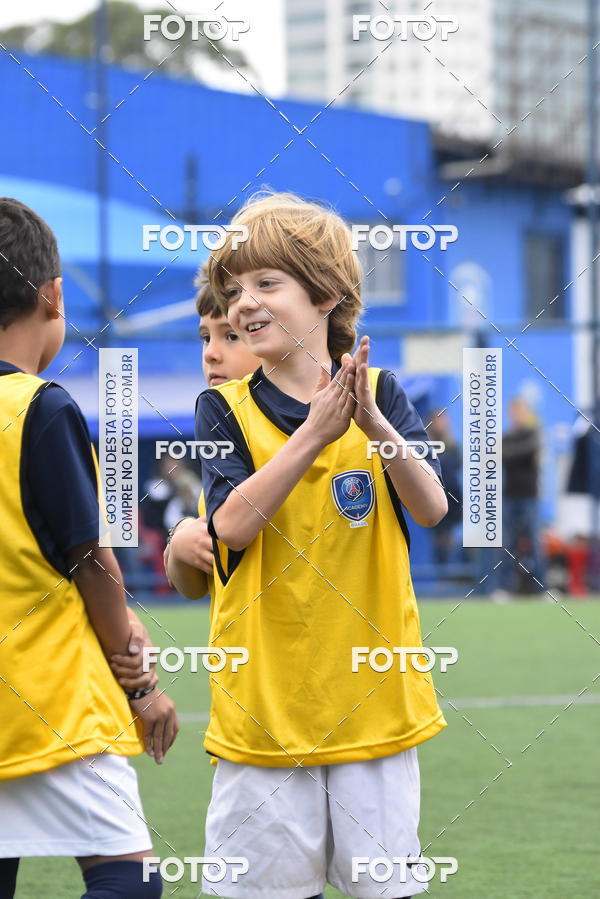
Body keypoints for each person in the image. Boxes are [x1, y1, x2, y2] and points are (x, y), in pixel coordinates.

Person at [194, 192, 449, 899]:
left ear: (327, 294)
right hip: (266, 715)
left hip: (375, 704)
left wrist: (371, 424)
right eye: (234, 288)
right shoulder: (223, 407)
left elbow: (431, 508)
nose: (244, 303)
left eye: (266, 283)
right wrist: (314, 431)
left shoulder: (383, 393)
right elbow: (232, 528)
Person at [0, 198, 178, 899]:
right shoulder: (39, 408)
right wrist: (142, 687)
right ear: (53, 294)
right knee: (129, 880)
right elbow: (91, 561)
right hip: (47, 701)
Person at [163, 265, 259, 599]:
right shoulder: (219, 417)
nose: (210, 353)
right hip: (240, 648)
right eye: (205, 337)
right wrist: (180, 543)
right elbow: (194, 585)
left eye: (231, 336)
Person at [491, 396, 546, 600]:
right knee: (508, 543)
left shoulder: (534, 433)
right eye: (513, 411)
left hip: (530, 496)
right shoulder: (507, 436)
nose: (517, 415)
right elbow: (502, 455)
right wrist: (513, 453)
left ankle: (543, 589)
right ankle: (505, 588)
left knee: (534, 542)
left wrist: (511, 453)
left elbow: (522, 451)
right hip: (510, 497)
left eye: (520, 410)